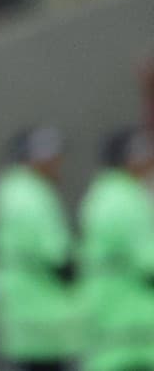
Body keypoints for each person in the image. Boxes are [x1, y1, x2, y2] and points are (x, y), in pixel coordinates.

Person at [0, 126, 80, 371]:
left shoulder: (8, 189)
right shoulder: (32, 195)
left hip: (21, 313)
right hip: (42, 317)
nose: (58, 163)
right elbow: (58, 255)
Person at [78, 127, 154, 371]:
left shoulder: (104, 192)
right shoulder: (126, 199)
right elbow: (148, 261)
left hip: (110, 320)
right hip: (130, 328)